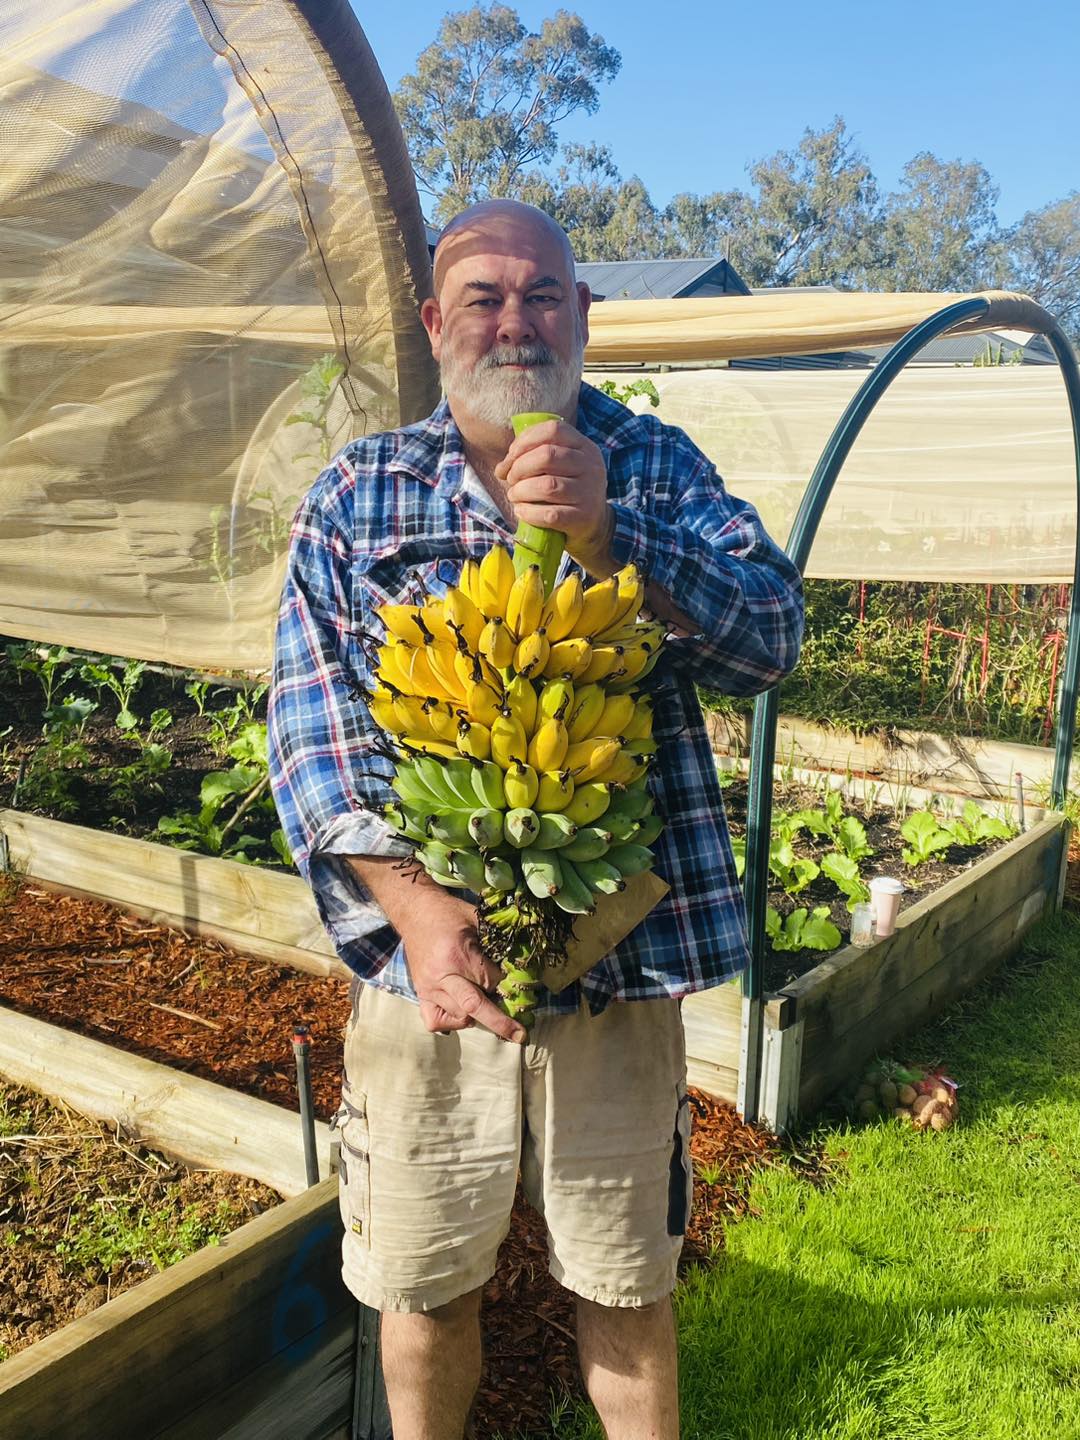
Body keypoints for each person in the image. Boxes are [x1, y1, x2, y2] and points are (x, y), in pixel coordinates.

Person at [268, 199, 804, 1440]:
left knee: (627, 1281)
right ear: (434, 322)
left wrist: (622, 539)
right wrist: (414, 910)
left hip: (620, 972)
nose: (518, 320)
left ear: (584, 313)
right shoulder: (359, 493)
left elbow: (772, 640)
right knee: (423, 1282)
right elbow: (311, 724)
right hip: (427, 979)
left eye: (544, 294)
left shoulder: (658, 464)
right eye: (486, 297)